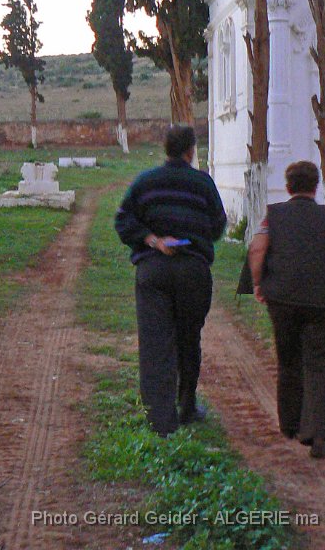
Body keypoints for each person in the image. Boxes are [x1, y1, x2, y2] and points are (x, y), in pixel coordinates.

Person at [115, 125, 227, 436]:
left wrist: (152, 239)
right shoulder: (202, 183)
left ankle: (161, 421)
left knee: (155, 344)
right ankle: (187, 406)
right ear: (190, 151)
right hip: (193, 271)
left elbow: (123, 220)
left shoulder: (146, 182)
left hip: (153, 270)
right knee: (188, 339)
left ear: (165, 149)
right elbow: (218, 225)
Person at [247, 160, 325, 459]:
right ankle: (319, 434)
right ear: (317, 186)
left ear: (288, 187)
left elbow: (257, 249)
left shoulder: (274, 215)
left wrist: (257, 283)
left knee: (289, 360)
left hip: (282, 299)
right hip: (324, 300)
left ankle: (290, 425)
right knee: (321, 365)